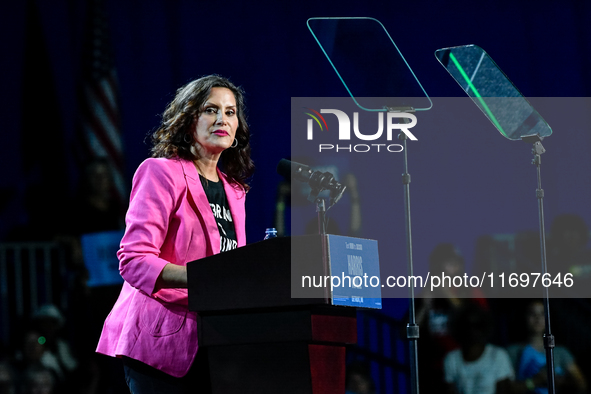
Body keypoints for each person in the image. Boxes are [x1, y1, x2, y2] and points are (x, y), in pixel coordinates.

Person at [96, 75, 254, 393]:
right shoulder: (161, 172)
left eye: (230, 111)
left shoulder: (235, 191)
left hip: (215, 345)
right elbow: (134, 260)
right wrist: (201, 278)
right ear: (188, 119)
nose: (222, 119)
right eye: (210, 110)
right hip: (158, 343)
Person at [506, 299, 587, 394]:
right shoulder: (512, 351)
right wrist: (535, 381)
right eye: (532, 313)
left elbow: (581, 384)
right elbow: (505, 388)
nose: (537, 318)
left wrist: (560, 381)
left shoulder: (561, 352)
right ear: (523, 317)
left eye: (542, 313)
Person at [443, 304, 514, 394]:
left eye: (477, 326)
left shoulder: (498, 356)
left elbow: (504, 390)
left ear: (484, 327)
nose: (472, 331)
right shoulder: (452, 359)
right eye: (467, 326)